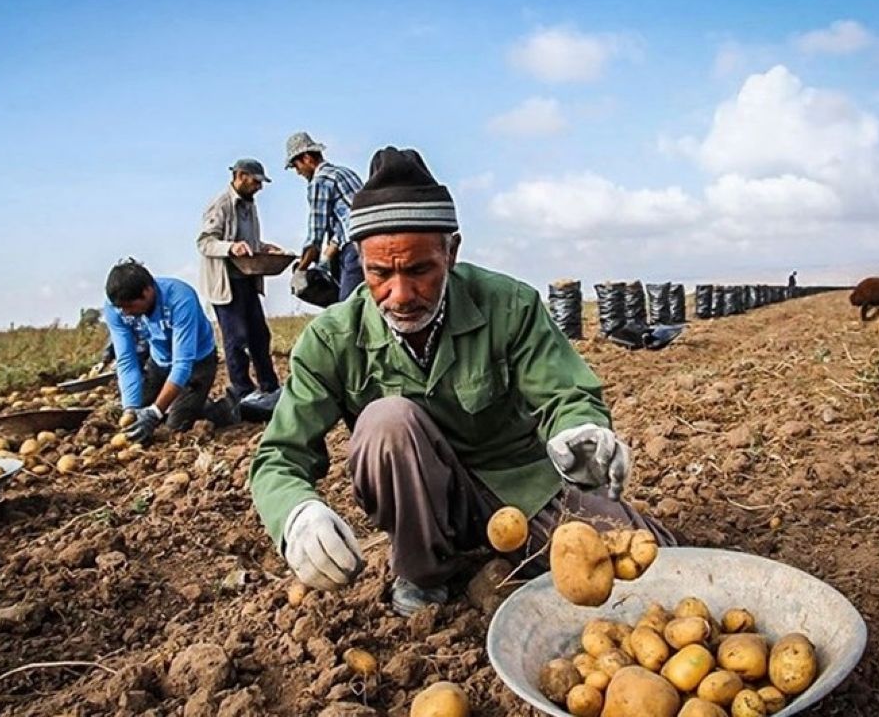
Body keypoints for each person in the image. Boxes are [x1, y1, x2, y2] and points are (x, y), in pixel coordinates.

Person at [250, 147, 675, 616]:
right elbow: (280, 455)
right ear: (360, 261)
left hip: (518, 487)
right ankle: (424, 571)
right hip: (421, 504)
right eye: (380, 273)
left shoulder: (508, 305)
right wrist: (295, 514)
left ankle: (510, 554)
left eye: (419, 270)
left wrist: (579, 431)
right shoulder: (332, 339)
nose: (401, 294)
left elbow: (566, 394)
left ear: (451, 252)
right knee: (387, 420)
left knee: (651, 565)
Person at [105, 259, 236, 443]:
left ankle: (222, 409)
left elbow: (183, 364)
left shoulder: (180, 299)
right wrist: (131, 408)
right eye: (121, 309)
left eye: (130, 307)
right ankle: (187, 400)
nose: (125, 313)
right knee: (136, 415)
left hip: (196, 362)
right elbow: (126, 359)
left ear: (147, 292)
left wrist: (155, 411)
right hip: (160, 361)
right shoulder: (116, 309)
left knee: (175, 427)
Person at [197, 158, 282, 405]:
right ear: (241, 176)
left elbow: (249, 243)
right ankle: (243, 392)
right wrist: (231, 247)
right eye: (256, 182)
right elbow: (205, 242)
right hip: (225, 284)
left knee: (259, 335)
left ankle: (270, 387)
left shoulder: (249, 206)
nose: (259, 187)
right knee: (237, 339)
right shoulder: (221, 205)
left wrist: (264, 247)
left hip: (246, 279)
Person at [284, 132, 365, 300]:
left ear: (306, 158)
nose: (298, 172)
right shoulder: (345, 172)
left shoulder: (320, 181)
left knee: (348, 308)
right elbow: (346, 222)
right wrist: (326, 259)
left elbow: (315, 236)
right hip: (372, 242)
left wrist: (301, 271)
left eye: (296, 165)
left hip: (355, 249)